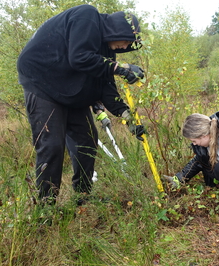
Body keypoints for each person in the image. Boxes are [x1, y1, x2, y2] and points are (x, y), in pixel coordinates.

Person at [17, 4, 145, 205]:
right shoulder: (87, 16)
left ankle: (83, 196)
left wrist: (128, 118)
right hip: (42, 82)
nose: (125, 47)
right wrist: (122, 68)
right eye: (126, 40)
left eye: (130, 44)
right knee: (52, 145)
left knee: (87, 140)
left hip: (71, 93)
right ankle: (46, 207)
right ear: (116, 30)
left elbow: (108, 91)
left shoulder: (107, 54)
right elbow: (79, 57)